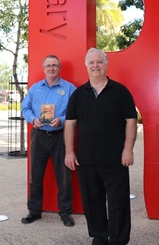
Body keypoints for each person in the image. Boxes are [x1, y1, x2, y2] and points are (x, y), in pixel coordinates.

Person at [64, 48, 137, 245]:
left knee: (118, 203)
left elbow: (131, 120)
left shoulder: (121, 92)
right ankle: (100, 236)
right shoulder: (78, 95)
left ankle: (118, 239)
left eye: (99, 62)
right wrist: (69, 152)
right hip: (86, 160)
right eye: (92, 62)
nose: (95, 65)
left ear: (106, 64)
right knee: (92, 203)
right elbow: (70, 123)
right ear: (86, 66)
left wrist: (128, 149)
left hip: (115, 160)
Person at [20, 54, 76, 227]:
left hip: (60, 136)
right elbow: (24, 108)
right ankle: (34, 211)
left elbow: (77, 111)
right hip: (39, 136)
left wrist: (62, 119)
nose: (51, 68)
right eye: (48, 66)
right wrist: (32, 119)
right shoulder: (35, 89)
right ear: (44, 68)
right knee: (35, 176)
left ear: (59, 68)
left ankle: (65, 212)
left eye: (54, 65)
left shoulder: (69, 89)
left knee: (64, 177)